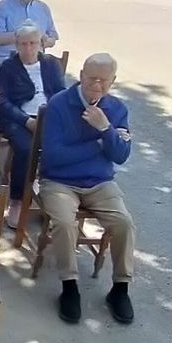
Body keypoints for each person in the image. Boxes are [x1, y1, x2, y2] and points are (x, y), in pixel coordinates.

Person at [40, 53, 136, 325]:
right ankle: (69, 286)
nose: (97, 85)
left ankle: (120, 288)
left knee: (124, 223)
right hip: (59, 181)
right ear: (81, 75)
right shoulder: (59, 105)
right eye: (92, 78)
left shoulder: (117, 109)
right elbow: (54, 157)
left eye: (104, 80)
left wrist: (105, 128)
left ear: (113, 81)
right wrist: (99, 145)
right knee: (64, 222)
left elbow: (120, 155)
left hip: (99, 182)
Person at [0, 23, 67, 229]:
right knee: (26, 149)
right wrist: (27, 121)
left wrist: (53, 119)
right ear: (16, 45)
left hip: (48, 117)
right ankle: (16, 199)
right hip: (19, 118)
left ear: (41, 44)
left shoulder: (51, 64)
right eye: (23, 44)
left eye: (33, 43)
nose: (28, 48)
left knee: (59, 149)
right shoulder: (9, 67)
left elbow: (61, 94)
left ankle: (52, 200)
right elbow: (3, 100)